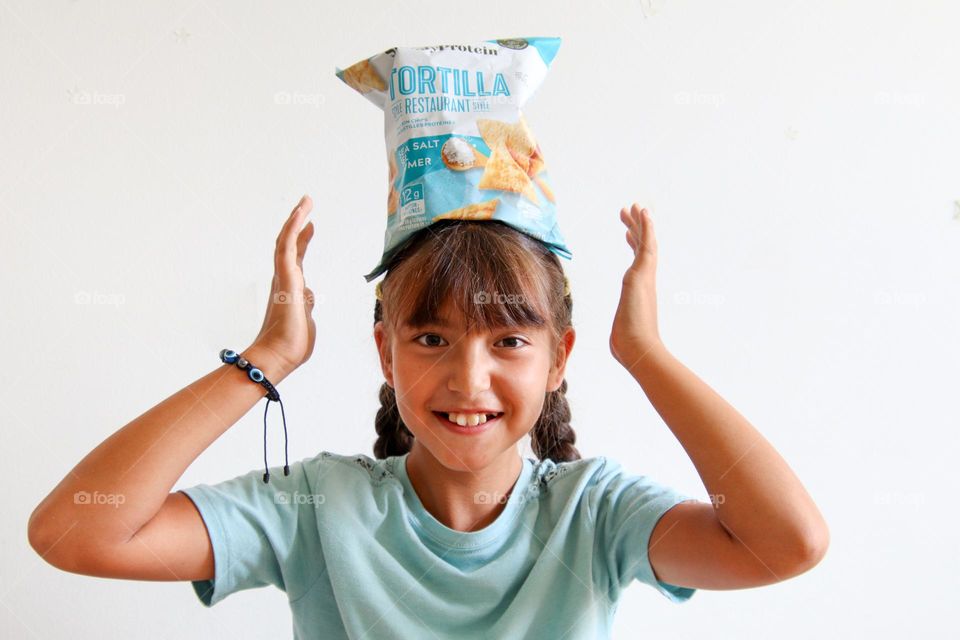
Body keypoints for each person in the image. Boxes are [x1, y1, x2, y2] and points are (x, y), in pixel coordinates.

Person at [27, 194, 829, 639]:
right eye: (431, 336)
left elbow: (787, 543)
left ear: (560, 359)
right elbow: (75, 531)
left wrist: (646, 354)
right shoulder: (315, 509)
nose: (467, 377)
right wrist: (266, 357)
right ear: (386, 353)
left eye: (510, 339)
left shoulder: (596, 513)